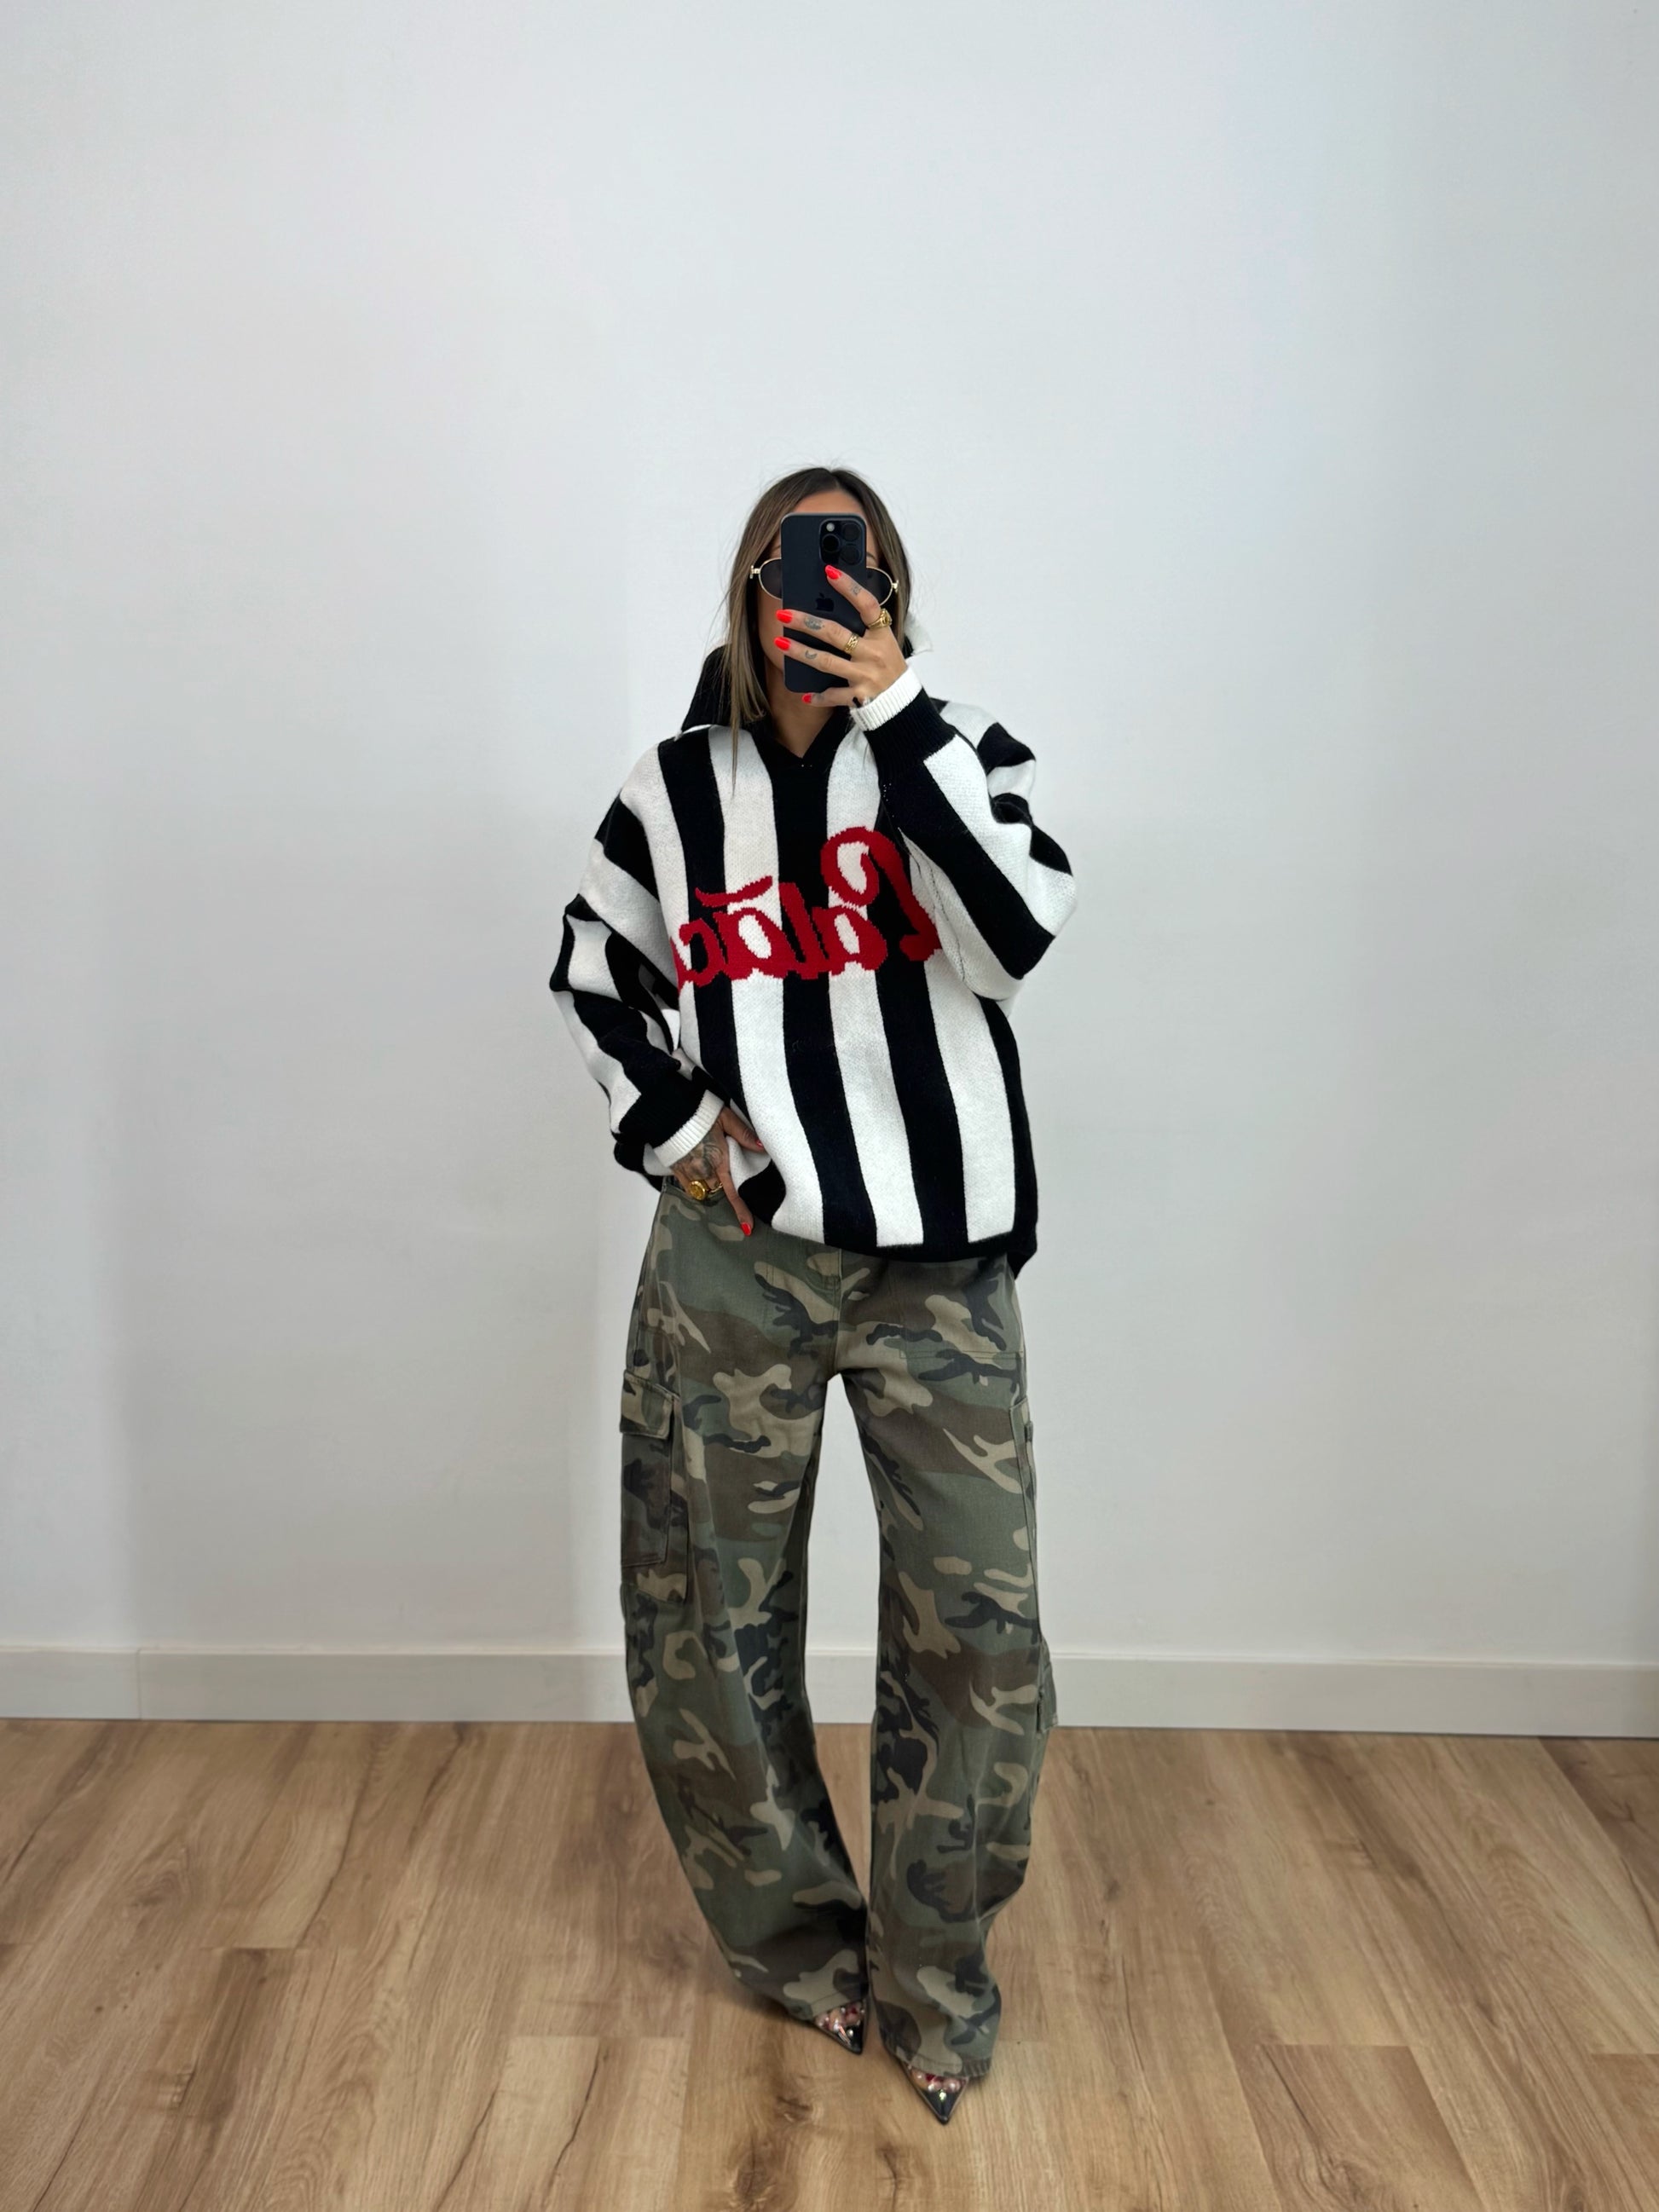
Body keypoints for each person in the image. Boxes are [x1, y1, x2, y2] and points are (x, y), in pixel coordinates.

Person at [550, 465, 1078, 2124]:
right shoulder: (670, 790)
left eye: (855, 568)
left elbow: (1013, 937)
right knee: (705, 1617)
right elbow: (593, 969)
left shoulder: (959, 752)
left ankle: (936, 1970)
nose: (822, 593)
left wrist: (899, 710)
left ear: (890, 591)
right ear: (747, 583)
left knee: (977, 1633)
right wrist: (683, 1134)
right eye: (794, 563)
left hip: (940, 1268)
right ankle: (796, 1947)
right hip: (739, 1260)